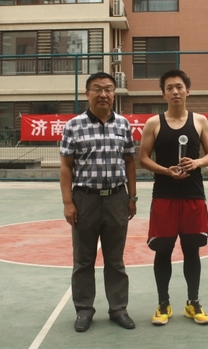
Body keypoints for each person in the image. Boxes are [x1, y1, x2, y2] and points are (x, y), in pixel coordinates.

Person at [59, 72, 138, 332]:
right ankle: (84, 309)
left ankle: (118, 309)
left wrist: (132, 197)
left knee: (115, 259)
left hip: (117, 198)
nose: (103, 94)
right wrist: (68, 202)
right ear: (87, 94)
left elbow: (130, 162)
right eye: (97, 89)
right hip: (85, 200)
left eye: (108, 89)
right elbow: (66, 166)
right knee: (83, 259)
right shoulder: (74, 126)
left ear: (114, 93)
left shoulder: (123, 125)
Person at [139, 69, 208, 326]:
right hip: (164, 196)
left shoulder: (200, 121)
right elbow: (143, 158)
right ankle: (163, 303)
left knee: (192, 250)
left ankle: (193, 302)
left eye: (179, 87)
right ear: (163, 94)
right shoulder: (154, 123)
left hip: (193, 195)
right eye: (170, 87)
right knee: (163, 251)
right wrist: (166, 171)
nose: (175, 91)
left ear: (187, 91)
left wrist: (196, 163)